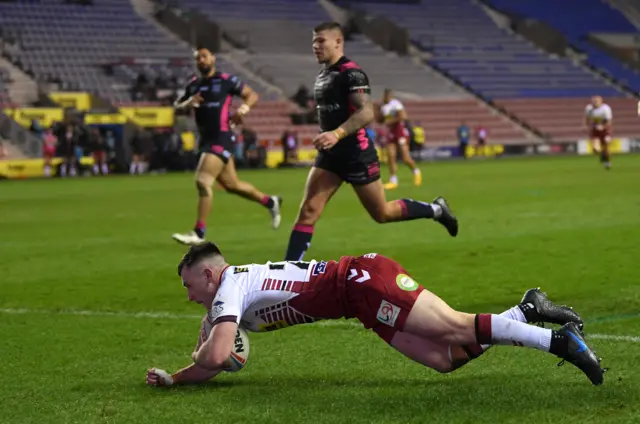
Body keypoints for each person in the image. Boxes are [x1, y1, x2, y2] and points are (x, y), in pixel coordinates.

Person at [146, 242, 606, 387]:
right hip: (359, 304)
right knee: (445, 359)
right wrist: (177, 379)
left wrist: (201, 355)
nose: (188, 297)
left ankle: (560, 342)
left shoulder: (229, 287)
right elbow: (218, 358)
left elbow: (219, 355)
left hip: (362, 281)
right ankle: (528, 308)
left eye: (188, 286)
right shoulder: (230, 292)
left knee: (454, 327)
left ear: (208, 276)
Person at [283, 22, 457, 262]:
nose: (315, 46)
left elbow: (367, 113)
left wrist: (336, 134)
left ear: (338, 42)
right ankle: (288, 272)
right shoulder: (323, 75)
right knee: (308, 211)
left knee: (382, 213)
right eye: (313, 41)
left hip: (357, 154)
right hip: (331, 156)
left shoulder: (352, 73)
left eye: (321, 40)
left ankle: (436, 210)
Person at [171, 47, 282, 246]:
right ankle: (270, 202)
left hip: (221, 138)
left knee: (203, 182)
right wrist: (188, 103)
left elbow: (252, 95)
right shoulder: (193, 85)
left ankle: (199, 233)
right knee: (232, 185)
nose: (201, 61)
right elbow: (176, 108)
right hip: (205, 140)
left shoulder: (226, 80)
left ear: (213, 58)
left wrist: (243, 109)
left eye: (205, 56)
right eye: (198, 59)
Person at [379, 89, 421, 190]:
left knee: (405, 158)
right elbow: (383, 121)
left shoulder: (396, 104)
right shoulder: (383, 107)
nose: (385, 97)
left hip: (400, 132)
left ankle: (416, 171)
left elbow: (403, 117)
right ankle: (393, 181)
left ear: (390, 96)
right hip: (391, 133)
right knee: (391, 156)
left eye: (387, 96)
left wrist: (390, 121)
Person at [585, 95, 613, 170]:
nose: (595, 102)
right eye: (593, 101)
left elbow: (609, 121)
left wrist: (602, 126)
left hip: (605, 130)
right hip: (594, 129)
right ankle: (602, 155)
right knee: (595, 149)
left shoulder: (606, 109)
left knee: (605, 147)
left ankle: (607, 162)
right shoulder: (589, 108)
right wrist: (587, 125)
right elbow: (587, 118)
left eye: (596, 101)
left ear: (601, 101)